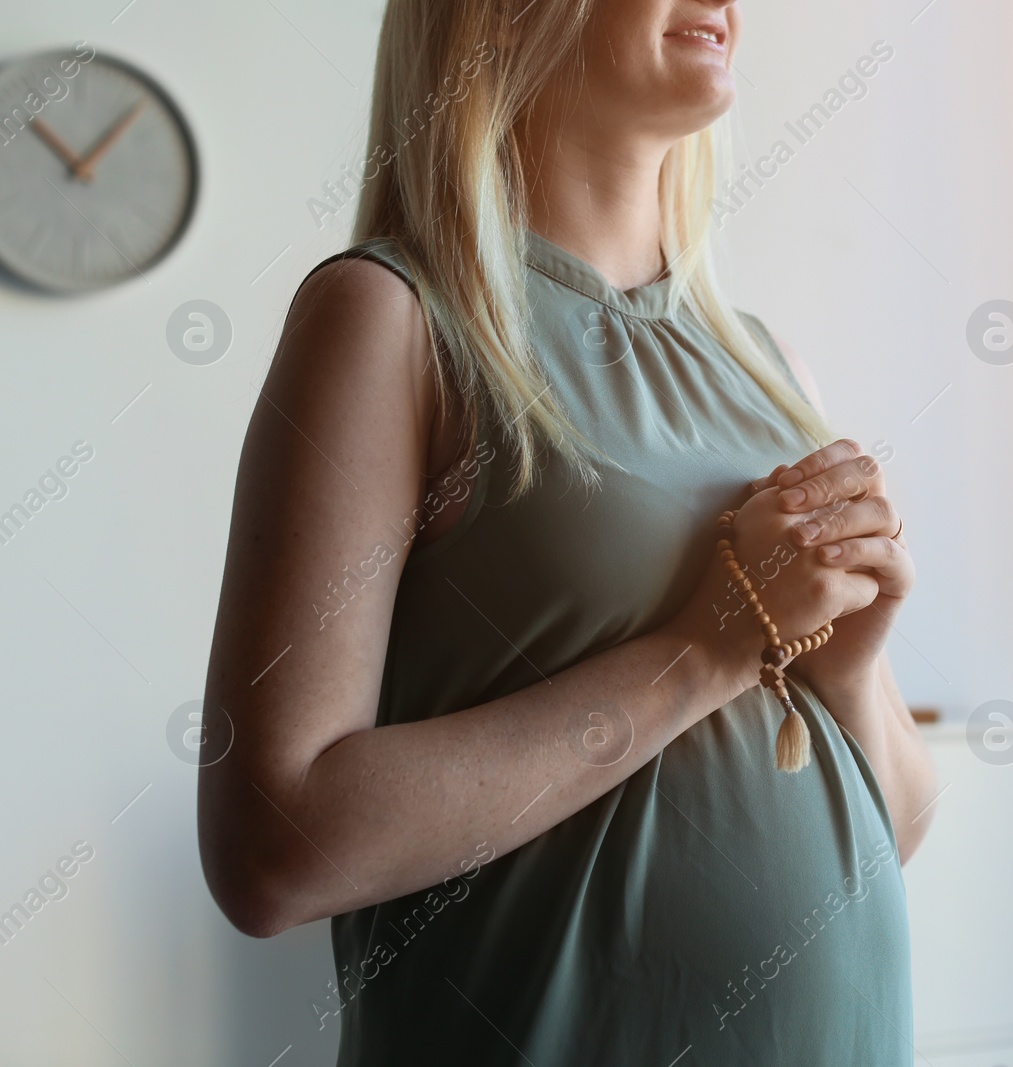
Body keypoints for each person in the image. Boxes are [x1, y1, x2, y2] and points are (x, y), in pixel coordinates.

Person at [197, 0, 938, 1062]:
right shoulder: (390, 320)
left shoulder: (773, 369)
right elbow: (273, 847)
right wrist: (710, 645)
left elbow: (891, 832)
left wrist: (847, 666)